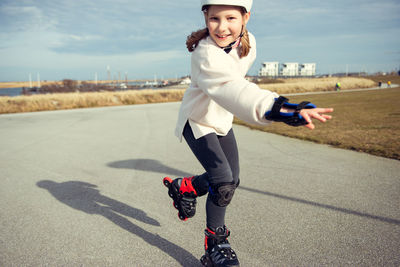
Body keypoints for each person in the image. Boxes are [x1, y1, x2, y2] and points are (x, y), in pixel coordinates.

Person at [163, 0, 333, 266]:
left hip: (221, 118)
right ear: (205, 17)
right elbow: (233, 89)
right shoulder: (205, 54)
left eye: (231, 18)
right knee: (223, 183)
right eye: (214, 19)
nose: (222, 27)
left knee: (233, 179)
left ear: (246, 17)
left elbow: (239, 83)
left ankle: (185, 187)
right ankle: (215, 244)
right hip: (197, 120)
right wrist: (281, 108)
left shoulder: (248, 43)